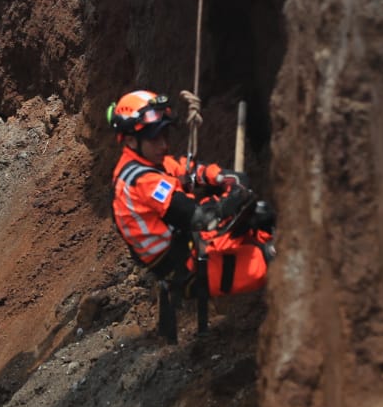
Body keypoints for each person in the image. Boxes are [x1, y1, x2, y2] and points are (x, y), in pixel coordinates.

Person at [108, 89, 274, 300]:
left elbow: (188, 171)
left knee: (264, 218)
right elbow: (200, 217)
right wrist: (230, 201)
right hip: (188, 269)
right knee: (272, 259)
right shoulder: (141, 182)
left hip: (195, 243)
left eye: (164, 135)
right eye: (155, 138)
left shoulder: (149, 162)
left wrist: (221, 177)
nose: (164, 145)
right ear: (131, 141)